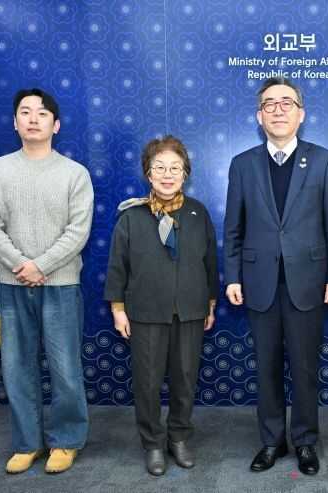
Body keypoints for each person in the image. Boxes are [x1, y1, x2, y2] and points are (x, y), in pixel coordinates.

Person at [223, 77, 328, 475]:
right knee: (267, 366)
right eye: (269, 104)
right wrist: (232, 276)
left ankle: (306, 440)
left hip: (308, 282)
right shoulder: (242, 164)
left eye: (286, 103)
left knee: (306, 367)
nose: (278, 110)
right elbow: (233, 228)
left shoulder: (323, 160)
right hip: (259, 282)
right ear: (259, 116)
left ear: (301, 113)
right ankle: (272, 441)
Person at [0, 88, 94, 474]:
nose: (32, 118)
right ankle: (27, 443)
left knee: (64, 367)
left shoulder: (75, 174)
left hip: (60, 284)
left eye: (42, 113)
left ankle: (67, 440)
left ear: (55, 125)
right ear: (15, 123)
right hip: (14, 285)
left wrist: (40, 266)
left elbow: (78, 232)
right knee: (17, 367)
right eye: (25, 112)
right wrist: (20, 265)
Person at [104, 135, 217, 476]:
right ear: (148, 174)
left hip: (190, 309)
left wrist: (210, 303)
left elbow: (210, 263)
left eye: (175, 168)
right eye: (160, 168)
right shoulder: (131, 217)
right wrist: (118, 309)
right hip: (146, 311)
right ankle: (153, 442)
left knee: (185, 378)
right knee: (148, 382)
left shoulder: (197, 213)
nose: (168, 175)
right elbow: (117, 266)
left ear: (185, 174)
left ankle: (179, 437)